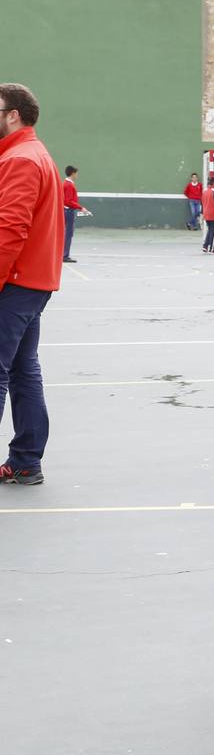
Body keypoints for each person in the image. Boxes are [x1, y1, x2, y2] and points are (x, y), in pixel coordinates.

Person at [0, 84, 63, 487]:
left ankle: (25, 459)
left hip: (16, 282)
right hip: (33, 283)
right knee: (24, 371)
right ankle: (25, 460)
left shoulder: (21, 159)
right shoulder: (32, 154)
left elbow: (10, 229)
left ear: (13, 115)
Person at [61, 165, 85, 263]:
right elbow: (68, 201)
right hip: (68, 211)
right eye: (76, 173)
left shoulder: (66, 184)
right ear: (73, 173)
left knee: (66, 233)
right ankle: (65, 255)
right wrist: (81, 208)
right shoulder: (69, 185)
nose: (77, 175)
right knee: (68, 233)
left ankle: (63, 254)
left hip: (66, 211)